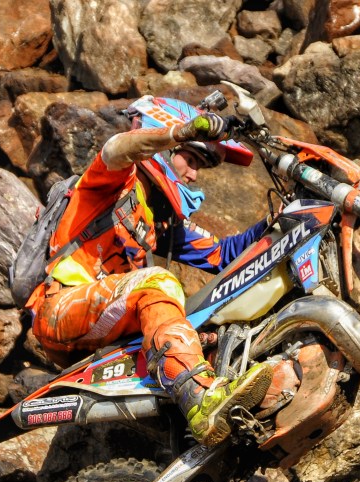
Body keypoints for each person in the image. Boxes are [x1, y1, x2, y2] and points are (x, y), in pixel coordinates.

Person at [23, 95, 272, 447]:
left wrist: (278, 221)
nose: (193, 174)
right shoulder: (112, 184)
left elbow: (222, 255)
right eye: (190, 157)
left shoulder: (160, 220)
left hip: (110, 327)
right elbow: (117, 149)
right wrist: (181, 132)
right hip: (59, 308)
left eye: (201, 165)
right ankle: (198, 398)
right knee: (160, 282)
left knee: (209, 322)